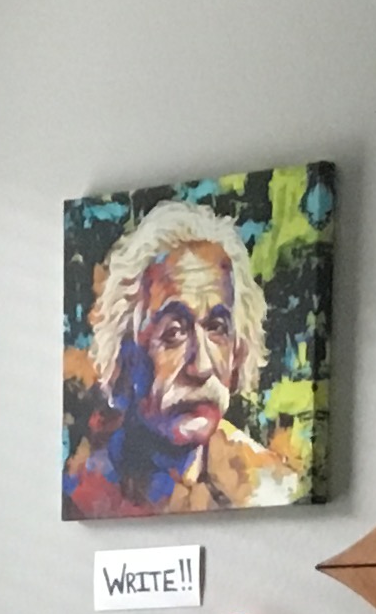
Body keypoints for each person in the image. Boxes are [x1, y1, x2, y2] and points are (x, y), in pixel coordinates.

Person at [64, 201, 308, 516]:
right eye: (174, 332)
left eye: (217, 328)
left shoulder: (271, 492)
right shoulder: (80, 496)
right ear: (124, 355)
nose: (202, 366)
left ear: (238, 350)